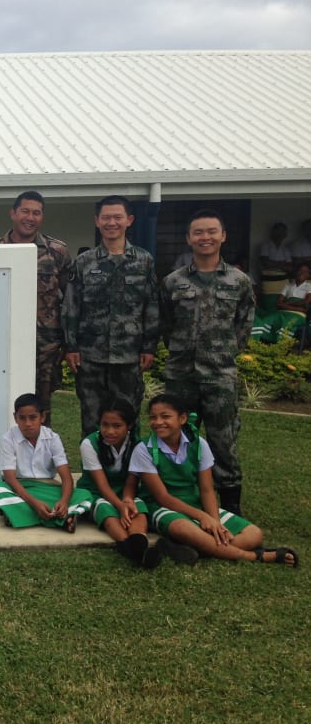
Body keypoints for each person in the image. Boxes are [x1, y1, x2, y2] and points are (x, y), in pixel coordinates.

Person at [128, 394, 298, 567]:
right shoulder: (144, 449)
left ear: (182, 419)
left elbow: (207, 489)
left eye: (165, 416)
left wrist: (215, 523)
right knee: (183, 529)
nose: (158, 422)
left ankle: (187, 547)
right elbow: (162, 497)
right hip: (161, 507)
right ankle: (256, 556)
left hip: (196, 503)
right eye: (153, 417)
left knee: (254, 534)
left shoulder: (199, 444)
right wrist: (202, 517)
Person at [159, 209, 255, 515]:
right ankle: (181, 495)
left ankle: (230, 501)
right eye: (198, 232)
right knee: (177, 437)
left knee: (223, 439)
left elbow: (244, 325)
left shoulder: (239, 281)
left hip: (220, 375)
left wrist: (222, 352)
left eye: (212, 231)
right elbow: (166, 324)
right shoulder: (173, 281)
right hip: (181, 375)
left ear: (223, 236)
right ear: (188, 238)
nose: (205, 237)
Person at [63, 195, 158, 437]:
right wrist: (71, 346)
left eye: (118, 217)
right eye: (106, 217)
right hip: (90, 357)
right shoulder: (84, 262)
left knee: (128, 420)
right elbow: (71, 306)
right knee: (91, 421)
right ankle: (93, 463)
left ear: (129, 220)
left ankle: (129, 463)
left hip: (129, 357)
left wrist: (149, 347)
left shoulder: (144, 261)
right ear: (97, 221)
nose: (111, 223)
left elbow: (151, 306)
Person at [0, 191, 73, 425]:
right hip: (5, 344)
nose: (30, 217)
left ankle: (42, 449)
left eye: (36, 213)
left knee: (42, 408)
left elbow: (70, 301)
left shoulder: (57, 251)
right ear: (13, 213)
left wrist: (68, 343)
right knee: (2, 404)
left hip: (45, 347)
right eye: (25, 211)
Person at [0, 393, 92, 532]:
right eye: (22, 418)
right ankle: (59, 519)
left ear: (42, 417)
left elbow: (66, 478)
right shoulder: (9, 438)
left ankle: (20, 515)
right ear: (15, 418)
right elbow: (10, 478)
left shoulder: (53, 438)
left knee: (84, 495)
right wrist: (35, 503)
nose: (27, 423)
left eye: (33, 417)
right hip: (20, 487)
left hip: (47, 487)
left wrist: (64, 502)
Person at [75, 399, 160, 568]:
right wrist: (120, 506)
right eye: (105, 425)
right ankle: (126, 546)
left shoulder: (137, 445)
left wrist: (126, 501)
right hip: (95, 492)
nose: (109, 431)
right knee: (105, 508)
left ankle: (138, 540)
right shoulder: (89, 444)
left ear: (129, 425)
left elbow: (131, 480)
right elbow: (102, 485)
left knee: (137, 506)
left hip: (124, 492)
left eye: (117, 426)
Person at [258, 221, 292, 309]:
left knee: (282, 309)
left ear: (285, 234)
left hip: (284, 285)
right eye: (278, 231)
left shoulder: (286, 249)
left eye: (282, 231)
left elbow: (290, 268)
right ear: (273, 232)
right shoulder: (265, 245)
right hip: (269, 285)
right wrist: (282, 264)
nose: (280, 234)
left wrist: (273, 264)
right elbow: (265, 263)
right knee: (269, 308)